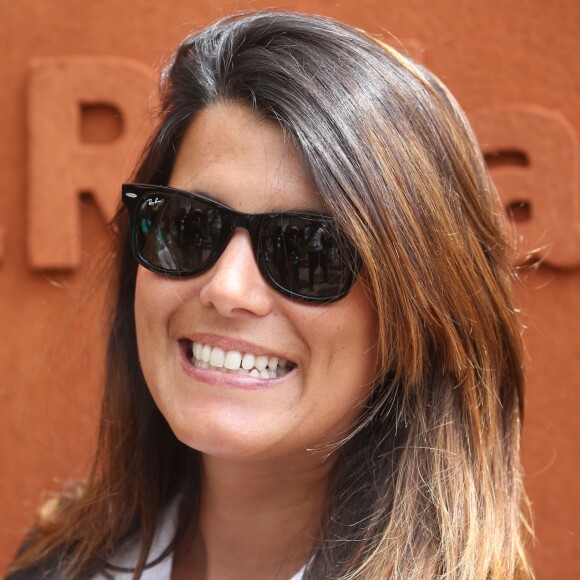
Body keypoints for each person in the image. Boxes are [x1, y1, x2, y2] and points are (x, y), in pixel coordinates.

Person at [7, 10, 533, 579]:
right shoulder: (57, 566)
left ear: (419, 316)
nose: (228, 289)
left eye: (308, 250)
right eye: (189, 226)